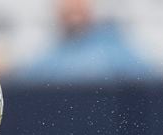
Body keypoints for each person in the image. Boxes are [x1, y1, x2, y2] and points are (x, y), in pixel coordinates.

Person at [12, 0, 151, 82]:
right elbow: (28, 79)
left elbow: (150, 77)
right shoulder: (52, 53)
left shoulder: (113, 46)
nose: (73, 5)